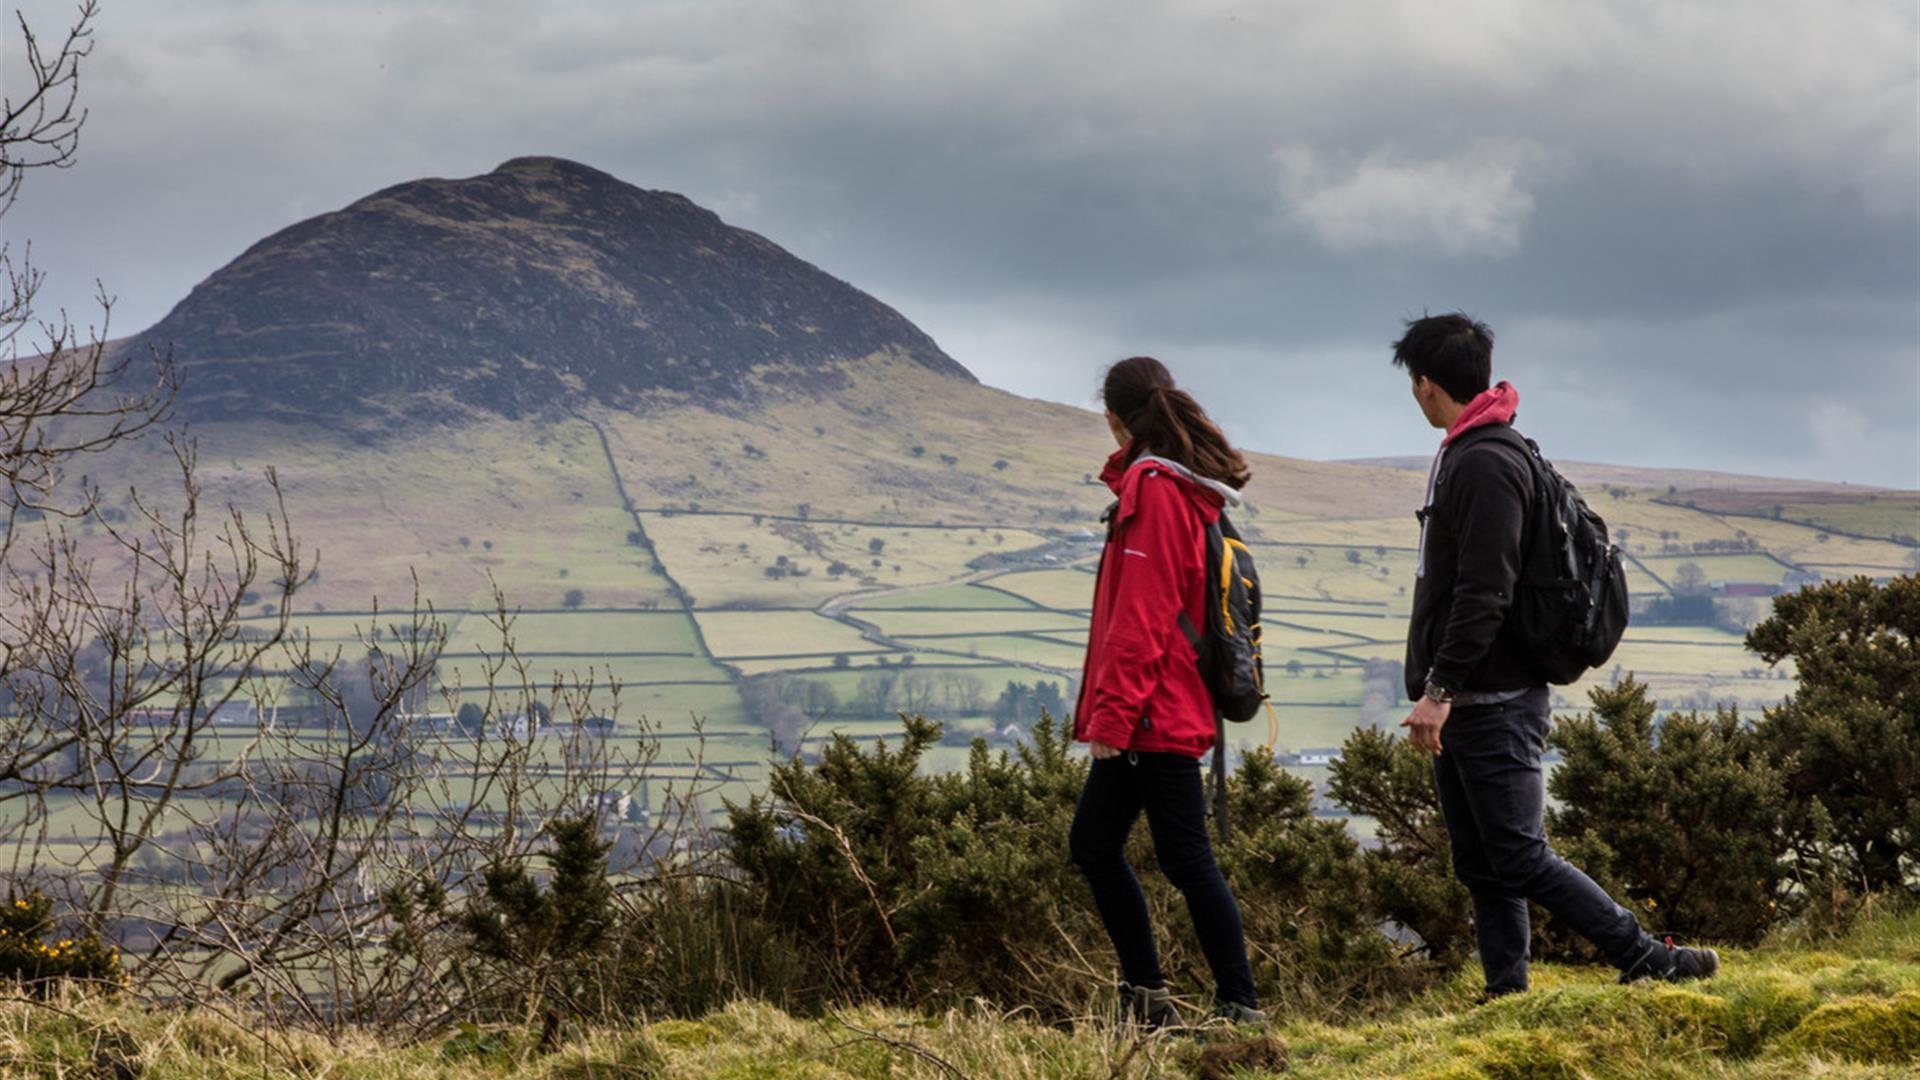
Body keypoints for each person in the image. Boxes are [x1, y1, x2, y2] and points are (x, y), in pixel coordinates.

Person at [1392, 312, 1720, 999]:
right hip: (1476, 697)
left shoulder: (1484, 461)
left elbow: (1485, 590)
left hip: (1493, 697)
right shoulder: (1481, 449)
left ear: (1425, 386)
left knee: (1516, 854)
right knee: (1483, 863)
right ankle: (1506, 993)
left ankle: (1647, 957)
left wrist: (1440, 688)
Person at [1068, 356, 1264, 1030]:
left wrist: (1112, 722)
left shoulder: (1153, 487)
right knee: (1095, 843)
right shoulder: (1177, 485)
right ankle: (1148, 1000)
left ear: (1114, 416)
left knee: (1185, 859)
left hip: (1154, 713)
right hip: (1161, 707)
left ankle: (1238, 1005)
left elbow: (1143, 619)